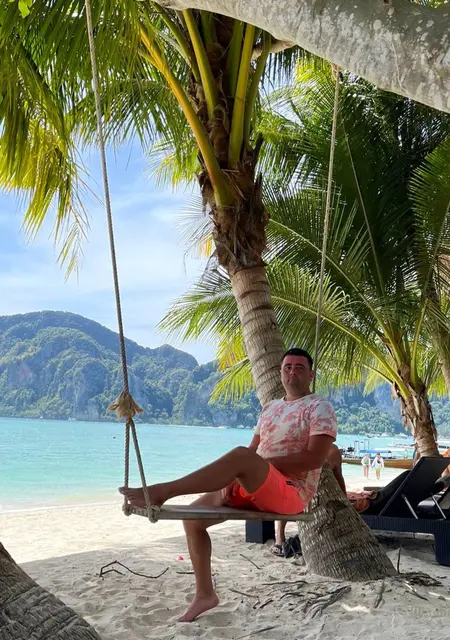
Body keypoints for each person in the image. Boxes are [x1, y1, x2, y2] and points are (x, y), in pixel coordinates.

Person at [120, 347, 337, 622]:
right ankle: (205, 595)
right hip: (259, 484)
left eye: (299, 368)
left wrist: (257, 465)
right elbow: (254, 449)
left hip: (291, 493)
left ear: (311, 375)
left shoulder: (319, 407)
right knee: (193, 521)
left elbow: (315, 458)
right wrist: (243, 472)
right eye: (287, 367)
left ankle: (163, 491)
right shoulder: (270, 408)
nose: (292, 372)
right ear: (280, 373)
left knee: (241, 456)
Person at [272, 443, 346, 556]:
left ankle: (279, 539)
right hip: (299, 491)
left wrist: (344, 498)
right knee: (287, 496)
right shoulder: (298, 448)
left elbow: (339, 476)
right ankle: (279, 538)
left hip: (321, 495)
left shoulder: (332, 451)